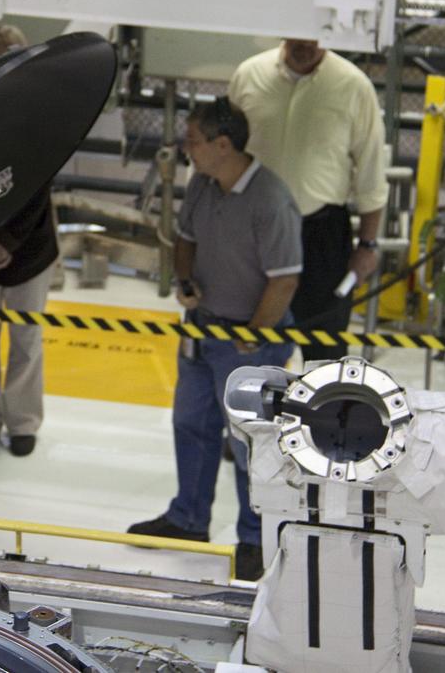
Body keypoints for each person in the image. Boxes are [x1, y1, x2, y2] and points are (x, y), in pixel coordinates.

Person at [127, 99, 302, 582]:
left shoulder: (271, 200)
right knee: (190, 424)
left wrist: (253, 337)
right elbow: (185, 240)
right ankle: (188, 519)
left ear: (223, 145)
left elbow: (284, 280)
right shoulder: (203, 184)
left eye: (194, 140)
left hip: (251, 343)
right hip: (202, 330)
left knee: (250, 444)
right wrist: (185, 282)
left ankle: (254, 537)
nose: (187, 149)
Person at [228, 39, 388, 362]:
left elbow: (371, 171)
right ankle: (251, 410)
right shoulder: (249, 75)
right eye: (299, 37)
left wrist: (367, 245)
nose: (307, 46)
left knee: (324, 349)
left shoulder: (354, 86)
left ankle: (324, 412)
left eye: (315, 40)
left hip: (320, 235)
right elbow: (224, 149)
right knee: (248, 341)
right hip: (253, 234)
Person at [0, 25, 57, 458]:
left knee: (26, 341)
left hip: (30, 248)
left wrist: (7, 240)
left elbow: (36, 185)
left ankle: (22, 421)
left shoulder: (41, 114)